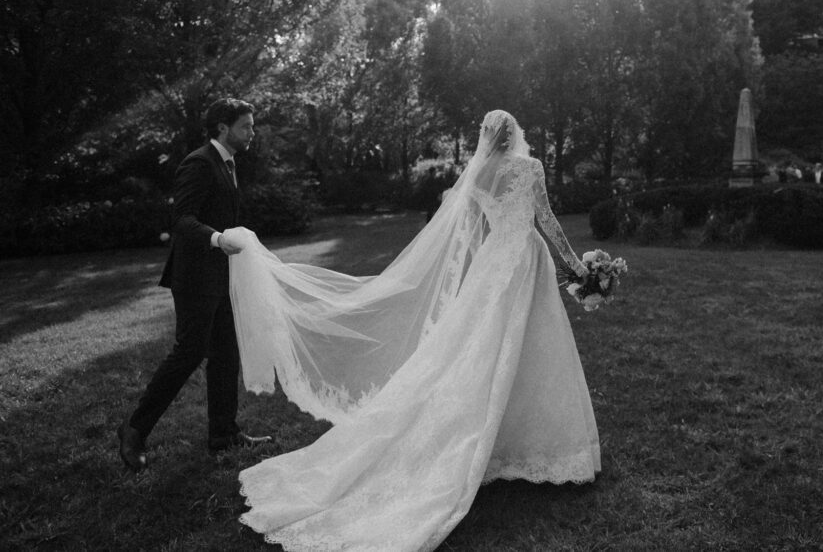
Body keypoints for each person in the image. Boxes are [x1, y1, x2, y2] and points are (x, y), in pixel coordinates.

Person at [226, 110, 601, 550]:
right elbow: (549, 222)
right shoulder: (529, 167)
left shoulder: (478, 174)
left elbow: (477, 233)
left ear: (485, 138)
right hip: (527, 262)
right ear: (514, 134)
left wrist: (486, 271)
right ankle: (530, 444)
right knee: (529, 346)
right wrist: (580, 270)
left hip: (495, 263)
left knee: (483, 349)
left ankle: (504, 437)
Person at [117, 98, 272, 472]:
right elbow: (181, 220)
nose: (252, 132)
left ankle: (223, 433)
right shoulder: (200, 163)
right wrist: (219, 239)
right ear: (222, 126)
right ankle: (134, 429)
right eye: (245, 126)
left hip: (223, 277)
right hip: (195, 278)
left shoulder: (229, 163)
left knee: (224, 353)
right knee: (189, 352)